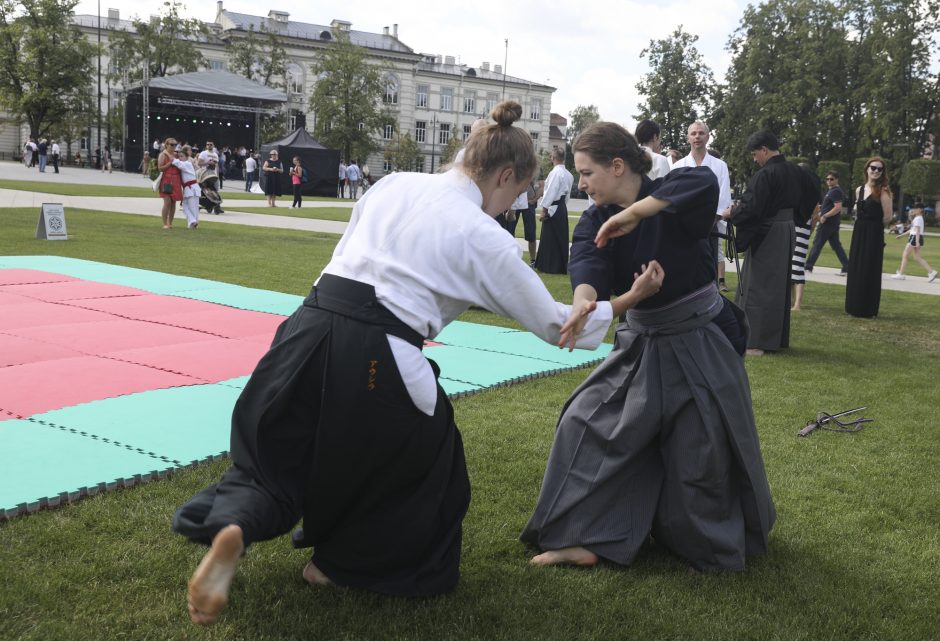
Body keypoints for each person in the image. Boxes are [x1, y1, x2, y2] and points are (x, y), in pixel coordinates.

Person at [172, 101, 648, 625]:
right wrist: (628, 298)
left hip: (305, 330)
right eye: (514, 194)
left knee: (278, 454)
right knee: (429, 468)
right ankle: (340, 567)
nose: (508, 206)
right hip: (380, 348)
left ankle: (234, 525)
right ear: (506, 174)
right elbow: (558, 326)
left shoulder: (393, 183)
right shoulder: (484, 235)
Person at [521, 121, 775, 572]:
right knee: (585, 422)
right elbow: (588, 268)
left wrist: (636, 214)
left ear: (618, 166)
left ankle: (701, 542)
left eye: (587, 173)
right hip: (640, 342)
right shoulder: (595, 221)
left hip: (701, 340)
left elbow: (699, 183)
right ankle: (586, 536)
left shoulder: (673, 194)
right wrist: (584, 304)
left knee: (700, 451)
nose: (581, 183)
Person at [722, 130, 817, 355]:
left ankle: (755, 341)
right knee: (778, 285)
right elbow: (813, 194)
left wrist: (732, 213)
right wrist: (796, 217)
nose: (755, 159)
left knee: (759, 285)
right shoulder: (797, 171)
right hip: (787, 229)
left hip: (769, 232)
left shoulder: (767, 174)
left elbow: (752, 207)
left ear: (764, 150)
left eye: (755, 154)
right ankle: (775, 339)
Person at [671, 121, 732, 292]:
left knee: (708, 269)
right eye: (693, 133)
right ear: (688, 138)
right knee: (684, 269)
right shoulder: (678, 166)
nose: (697, 136)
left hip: (710, 229)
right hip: (683, 230)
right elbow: (673, 198)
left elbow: (723, 198)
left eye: (701, 133)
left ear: (708, 136)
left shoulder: (720, 166)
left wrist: (709, 223)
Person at [845, 157, 893, 317]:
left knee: (869, 269)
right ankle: (853, 306)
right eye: (873, 168)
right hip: (859, 231)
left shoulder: (884, 191)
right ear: (867, 169)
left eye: (880, 169)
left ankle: (867, 309)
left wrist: (874, 227)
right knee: (856, 267)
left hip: (874, 233)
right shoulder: (860, 190)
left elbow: (887, 217)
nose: (876, 171)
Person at [534, 148, 574, 274]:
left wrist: (544, 210)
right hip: (561, 207)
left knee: (549, 237)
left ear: (552, 158)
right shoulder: (569, 174)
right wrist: (562, 206)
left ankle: (549, 266)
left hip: (553, 207)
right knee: (560, 237)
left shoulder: (556, 173)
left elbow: (551, 191)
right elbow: (567, 196)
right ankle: (560, 266)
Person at [804, 170, 850, 275]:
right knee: (836, 246)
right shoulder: (832, 191)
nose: (829, 181)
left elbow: (838, 208)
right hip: (832, 223)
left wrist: (825, 215)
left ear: (837, 179)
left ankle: (808, 266)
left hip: (828, 223)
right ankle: (847, 267)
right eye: (827, 179)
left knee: (817, 243)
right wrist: (821, 208)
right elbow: (830, 206)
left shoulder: (835, 191)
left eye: (831, 179)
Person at [790, 163, 821, 311]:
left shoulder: (802, 192)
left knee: (796, 266)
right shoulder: (809, 193)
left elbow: (816, 213)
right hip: (800, 228)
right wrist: (811, 228)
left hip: (798, 228)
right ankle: (792, 301)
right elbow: (815, 215)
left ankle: (797, 304)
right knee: (793, 265)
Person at [891, 202, 937, 282]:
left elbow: (917, 230)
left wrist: (916, 242)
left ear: (920, 210)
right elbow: (913, 229)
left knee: (905, 255)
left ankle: (901, 274)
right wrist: (901, 235)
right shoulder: (918, 218)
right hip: (917, 237)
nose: (914, 210)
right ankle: (931, 272)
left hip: (915, 238)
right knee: (917, 257)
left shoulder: (918, 218)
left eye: (916, 208)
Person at [157, 137, 183, 229]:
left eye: (175, 144)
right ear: (166, 145)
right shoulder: (163, 154)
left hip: (176, 179)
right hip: (167, 179)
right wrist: (170, 163)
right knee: (167, 202)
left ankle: (170, 223)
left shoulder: (176, 155)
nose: (174, 146)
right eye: (172, 144)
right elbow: (160, 168)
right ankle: (165, 223)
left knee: (173, 202)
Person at [173, 145, 201, 229]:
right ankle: (193, 223)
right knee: (193, 207)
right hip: (192, 188)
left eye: (182, 156)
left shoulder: (187, 163)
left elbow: (177, 163)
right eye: (179, 156)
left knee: (188, 207)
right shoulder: (186, 164)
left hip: (191, 188)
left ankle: (193, 221)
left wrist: (171, 158)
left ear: (187, 157)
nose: (180, 158)